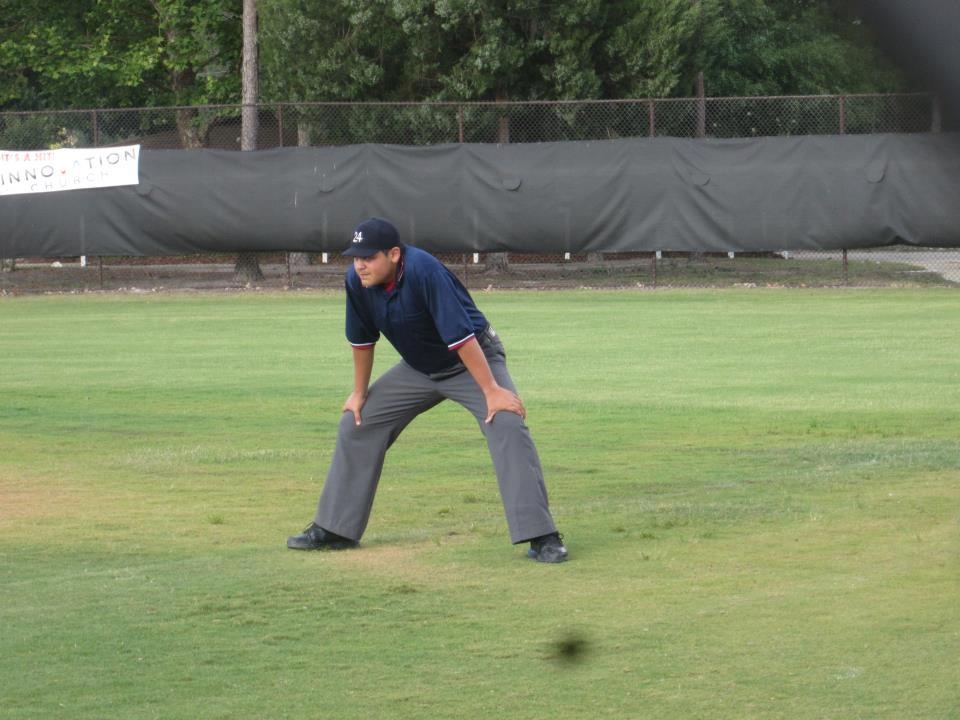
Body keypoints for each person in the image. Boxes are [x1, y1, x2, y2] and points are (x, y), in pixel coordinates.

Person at [287, 217, 568, 563]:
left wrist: (492, 390)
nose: (360, 264)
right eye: (355, 257)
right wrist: (359, 393)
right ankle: (335, 528)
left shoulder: (424, 271)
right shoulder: (357, 281)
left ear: (393, 254)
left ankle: (541, 534)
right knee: (356, 422)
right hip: (419, 368)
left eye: (368, 257)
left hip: (472, 361)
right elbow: (362, 341)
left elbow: (462, 338)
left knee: (506, 423)